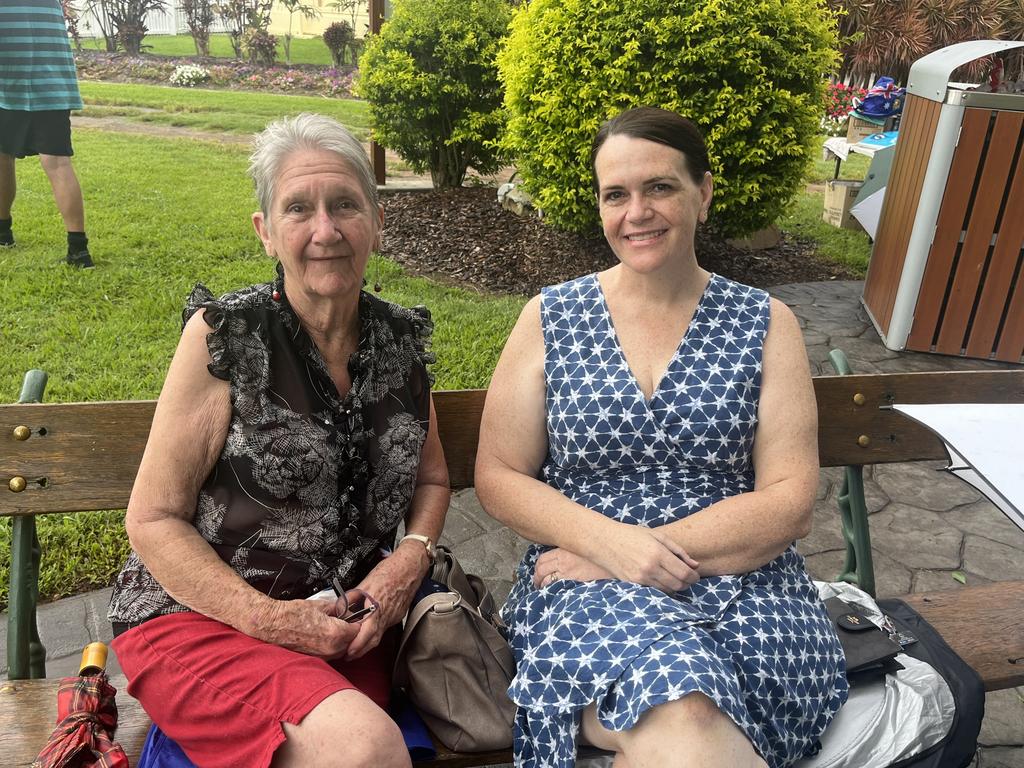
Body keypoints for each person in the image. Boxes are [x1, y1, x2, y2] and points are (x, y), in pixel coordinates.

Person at [475, 107, 848, 768]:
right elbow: (500, 474)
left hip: (744, 581)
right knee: (686, 710)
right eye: (615, 194)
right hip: (586, 589)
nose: (636, 211)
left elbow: (790, 499)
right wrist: (608, 549)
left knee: (695, 717)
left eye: (660, 188)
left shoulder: (767, 323)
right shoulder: (550, 317)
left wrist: (645, 552)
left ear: (703, 193)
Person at [107, 113, 449, 768]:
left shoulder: (400, 343)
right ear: (267, 231)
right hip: (201, 620)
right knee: (366, 747)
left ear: (377, 222)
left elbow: (432, 481)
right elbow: (151, 519)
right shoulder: (229, 338)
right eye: (299, 208)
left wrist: (408, 561)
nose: (326, 230)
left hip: (344, 629)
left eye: (345, 204)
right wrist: (269, 621)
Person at [0, 0, 94, 267]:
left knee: (2, 156)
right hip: (53, 82)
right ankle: (78, 251)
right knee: (56, 162)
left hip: (8, 84)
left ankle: (2, 232)